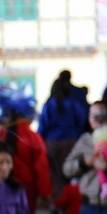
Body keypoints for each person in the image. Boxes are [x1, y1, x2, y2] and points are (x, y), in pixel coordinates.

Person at [37, 71, 90, 203]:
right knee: (70, 172)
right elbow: (82, 120)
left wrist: (40, 140)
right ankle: (70, 203)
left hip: (52, 142)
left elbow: (43, 125)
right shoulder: (73, 104)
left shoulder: (49, 104)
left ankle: (57, 203)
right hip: (71, 141)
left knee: (55, 175)